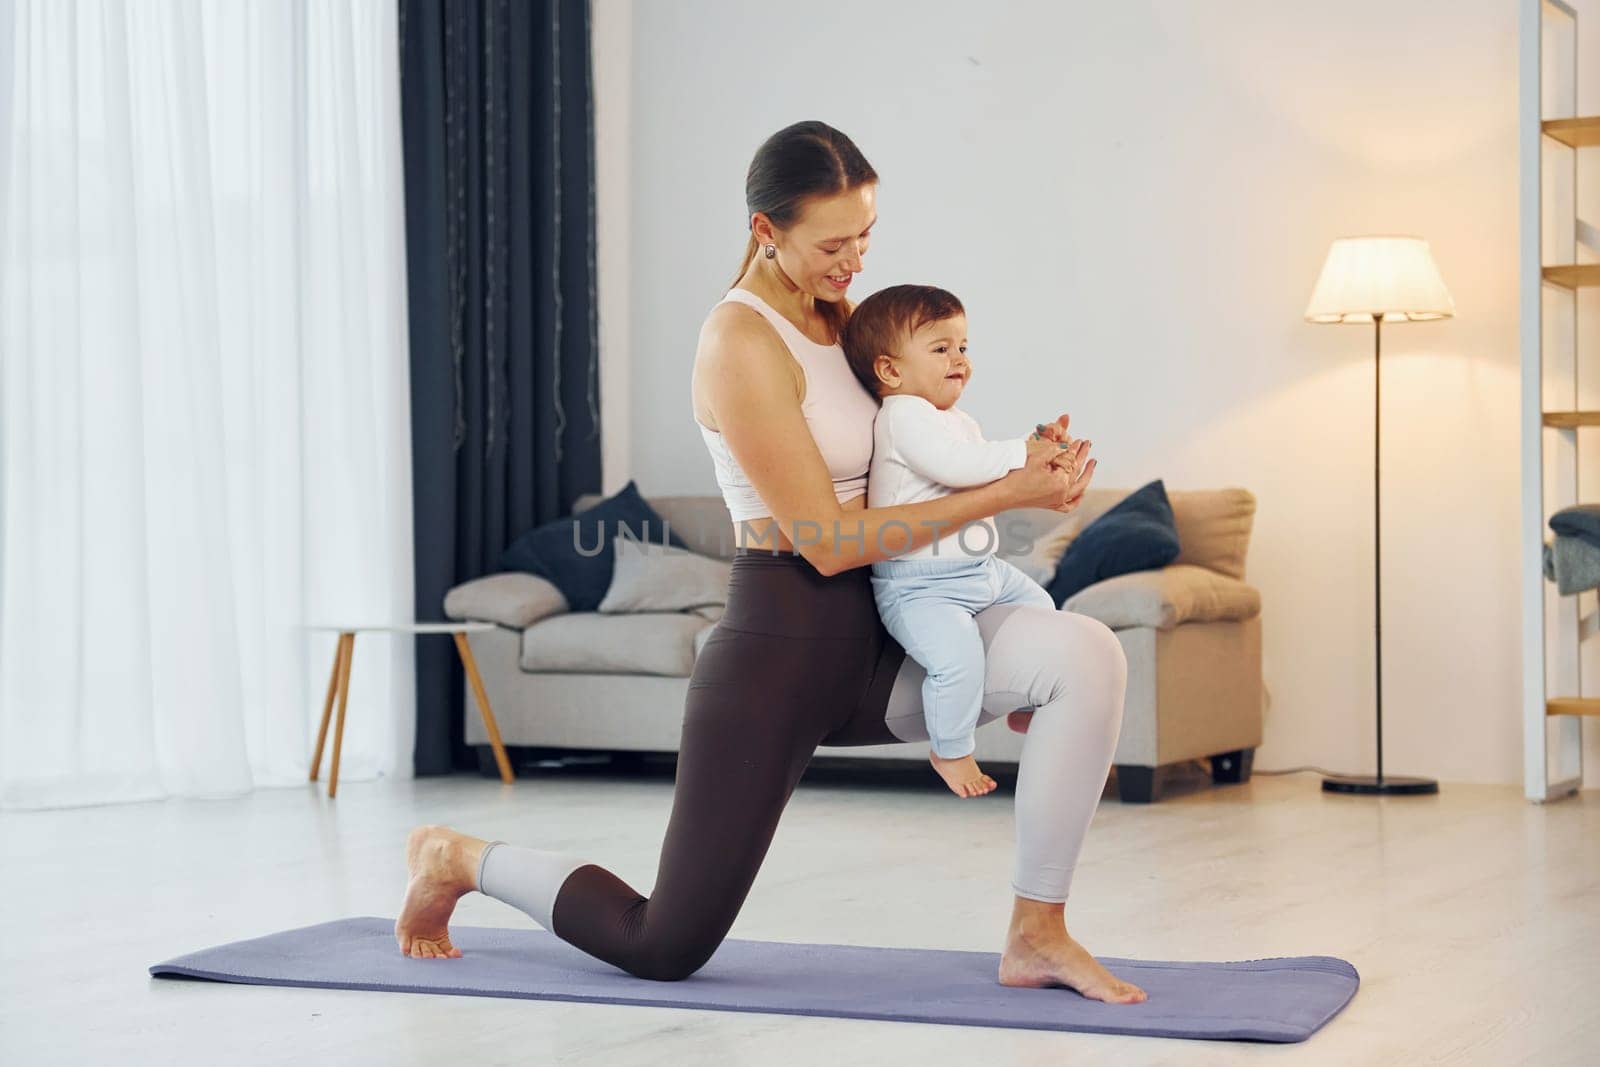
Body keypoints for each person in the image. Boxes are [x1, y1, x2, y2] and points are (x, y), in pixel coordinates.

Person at [394, 120, 1148, 1006]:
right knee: (664, 942)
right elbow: (823, 540)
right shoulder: (739, 342)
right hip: (784, 641)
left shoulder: (845, 317)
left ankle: (1037, 932)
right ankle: (459, 857)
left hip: (894, 621)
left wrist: (1027, 456)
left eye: (866, 234)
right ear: (765, 229)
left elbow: (917, 442)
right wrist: (1007, 494)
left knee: (1085, 652)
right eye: (833, 243)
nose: (854, 260)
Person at [841, 283, 1067, 799]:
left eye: (963, 347)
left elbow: (987, 473)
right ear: (891, 371)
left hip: (979, 570)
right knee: (957, 661)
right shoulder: (902, 417)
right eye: (941, 349)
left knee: (1042, 609)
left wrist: (1040, 451)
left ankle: (1027, 703)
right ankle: (950, 748)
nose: (959, 360)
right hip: (919, 587)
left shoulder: (957, 419)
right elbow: (958, 468)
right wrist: (1023, 454)